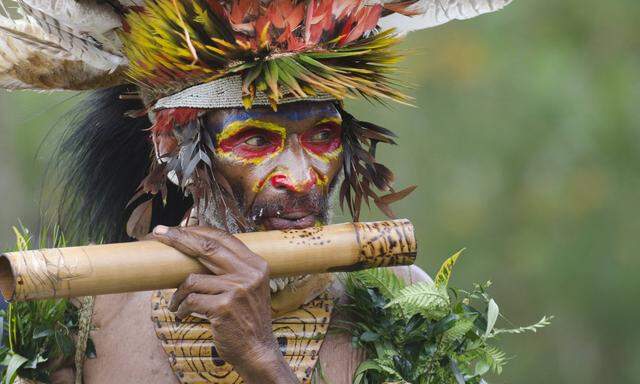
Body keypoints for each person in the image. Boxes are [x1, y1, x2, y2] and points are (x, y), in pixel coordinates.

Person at [0, 1, 514, 382]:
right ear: (172, 149)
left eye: (321, 137)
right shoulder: (86, 317)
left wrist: (263, 358)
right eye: (254, 140)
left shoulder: (403, 299)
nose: (301, 175)